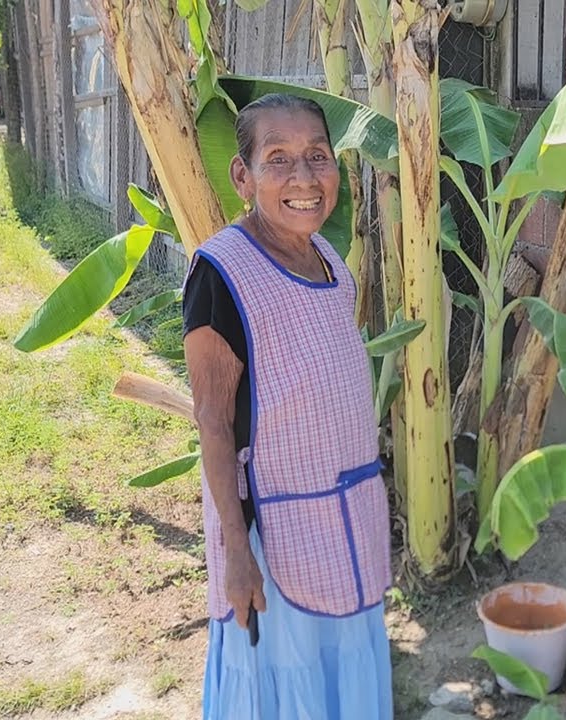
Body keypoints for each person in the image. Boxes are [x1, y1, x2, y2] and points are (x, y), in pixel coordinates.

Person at [182, 94, 393, 720]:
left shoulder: (330, 260)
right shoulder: (222, 273)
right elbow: (215, 424)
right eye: (278, 159)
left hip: (346, 515)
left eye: (317, 157)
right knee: (286, 684)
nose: (304, 178)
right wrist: (237, 559)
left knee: (344, 665)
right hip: (271, 535)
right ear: (243, 177)